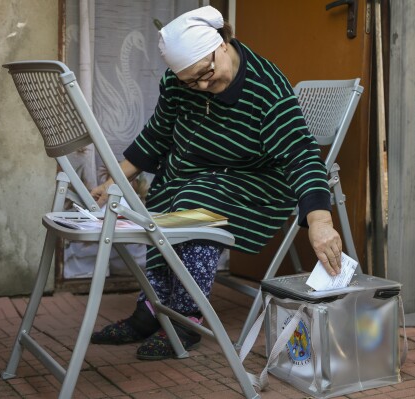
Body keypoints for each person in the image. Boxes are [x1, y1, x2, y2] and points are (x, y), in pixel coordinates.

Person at [90, 6, 344, 360]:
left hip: (256, 181)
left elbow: (300, 153)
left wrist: (320, 220)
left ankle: (186, 319)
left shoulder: (266, 88)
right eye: (192, 82)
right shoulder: (179, 82)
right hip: (197, 174)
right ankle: (152, 308)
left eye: (206, 74)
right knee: (163, 193)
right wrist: (116, 180)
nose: (203, 86)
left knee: (195, 203)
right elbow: (158, 133)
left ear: (224, 42)